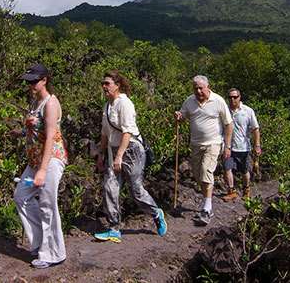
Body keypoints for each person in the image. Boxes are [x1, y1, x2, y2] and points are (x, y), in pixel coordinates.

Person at [94, 70, 167, 243]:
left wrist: (119, 156)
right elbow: (105, 134)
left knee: (136, 191)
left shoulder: (124, 103)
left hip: (131, 150)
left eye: (108, 83)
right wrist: (100, 155)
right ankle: (113, 228)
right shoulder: (107, 106)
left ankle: (156, 213)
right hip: (114, 150)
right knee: (109, 187)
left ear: (117, 85)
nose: (104, 86)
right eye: (103, 83)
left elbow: (127, 132)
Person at [11, 63, 67, 269]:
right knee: (21, 195)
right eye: (29, 81)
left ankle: (53, 253)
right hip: (35, 160)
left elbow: (51, 136)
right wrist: (18, 133)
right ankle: (40, 242)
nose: (31, 85)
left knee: (47, 203)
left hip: (50, 160)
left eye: (34, 81)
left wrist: (42, 170)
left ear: (45, 80)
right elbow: (36, 130)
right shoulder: (35, 102)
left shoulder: (51, 104)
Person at [174, 75, 233, 226]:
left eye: (201, 88)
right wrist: (179, 116)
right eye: (195, 88)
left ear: (208, 87)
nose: (198, 91)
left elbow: (228, 124)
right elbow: (183, 117)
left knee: (206, 170)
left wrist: (227, 146)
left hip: (213, 143)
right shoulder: (189, 101)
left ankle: (207, 208)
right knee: (198, 174)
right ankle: (206, 200)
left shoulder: (218, 100)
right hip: (195, 144)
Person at [222, 88, 261, 201]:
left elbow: (255, 129)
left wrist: (257, 145)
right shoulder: (225, 111)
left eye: (235, 97)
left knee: (244, 171)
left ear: (240, 97)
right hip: (228, 147)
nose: (232, 99)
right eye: (230, 97)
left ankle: (246, 189)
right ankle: (231, 191)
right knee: (227, 168)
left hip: (243, 147)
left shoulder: (248, 111)